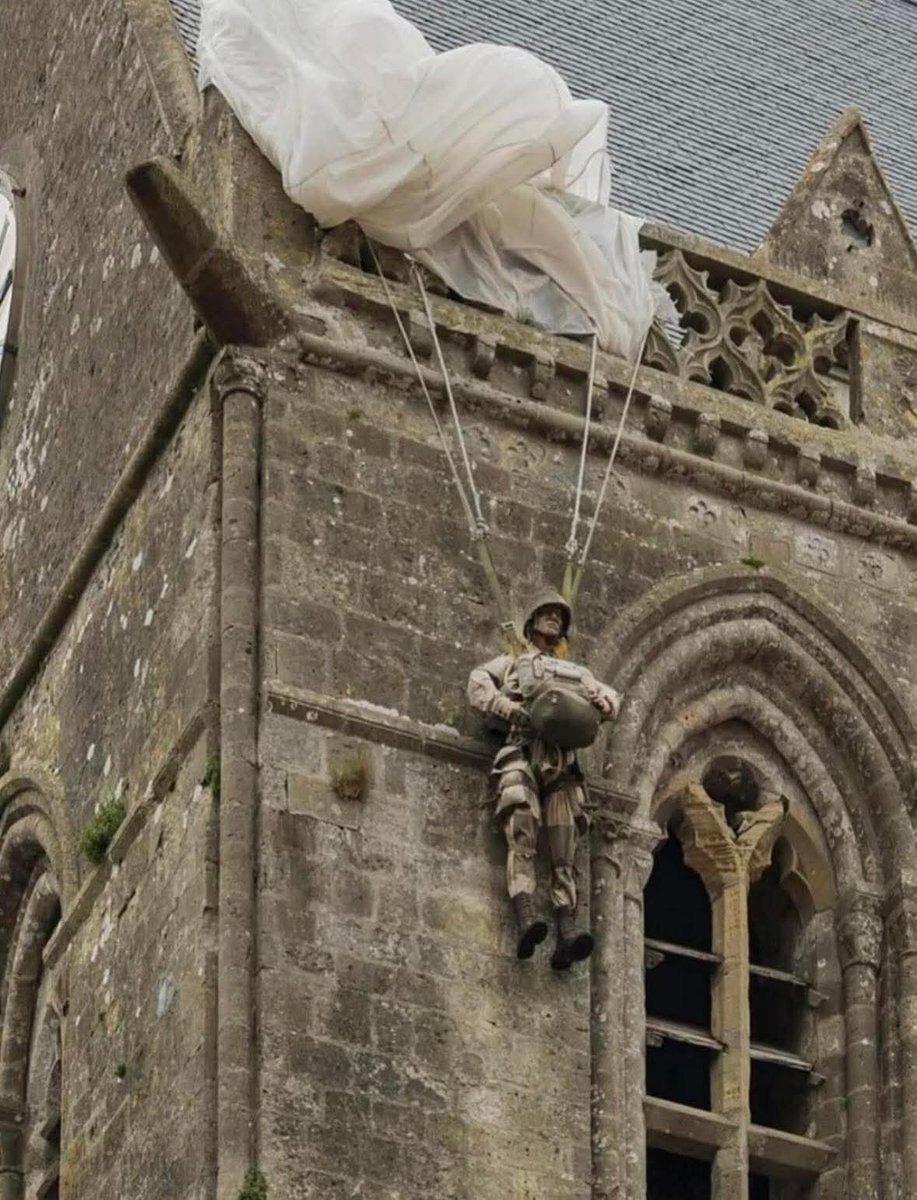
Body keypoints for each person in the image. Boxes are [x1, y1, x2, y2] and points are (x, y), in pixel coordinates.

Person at [467, 590, 621, 969]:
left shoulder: (579, 674)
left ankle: (566, 928)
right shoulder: (512, 663)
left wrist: (605, 704)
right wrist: (507, 707)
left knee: (564, 841)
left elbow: (610, 697)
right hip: (522, 750)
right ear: (532, 622)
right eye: (547, 614)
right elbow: (477, 682)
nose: (553, 619)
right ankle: (525, 915)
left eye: (558, 617)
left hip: (562, 764)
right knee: (522, 827)